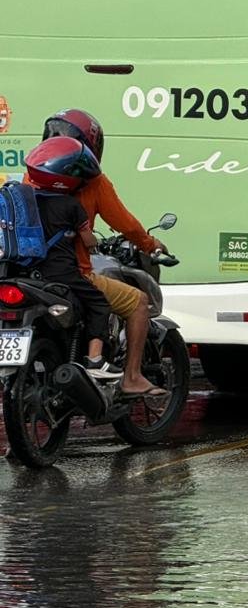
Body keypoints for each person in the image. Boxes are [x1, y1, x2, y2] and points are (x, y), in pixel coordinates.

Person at [37, 110, 167, 398]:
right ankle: (131, 377)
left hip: (31, 275)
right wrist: (149, 244)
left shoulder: (32, 178)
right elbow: (126, 225)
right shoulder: (94, 184)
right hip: (74, 274)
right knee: (138, 302)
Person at [22, 138, 119, 380]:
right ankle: (95, 360)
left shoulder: (25, 201)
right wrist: (95, 243)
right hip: (60, 273)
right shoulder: (71, 205)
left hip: (24, 273)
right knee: (99, 303)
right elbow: (88, 240)